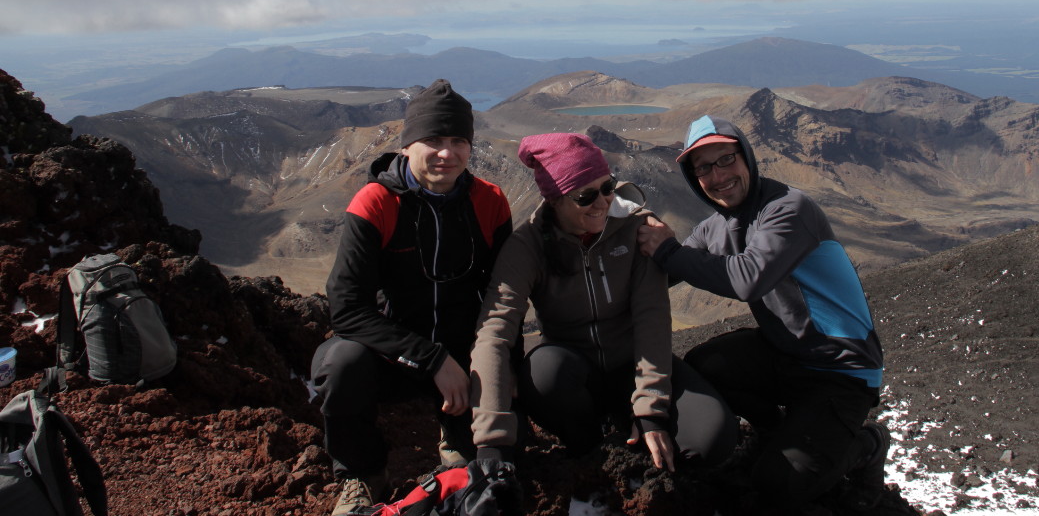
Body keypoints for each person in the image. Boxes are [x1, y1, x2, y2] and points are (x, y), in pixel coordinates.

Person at [636, 115, 889, 510]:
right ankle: (778, 430)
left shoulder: (788, 209)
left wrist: (667, 249)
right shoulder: (716, 226)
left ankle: (867, 446)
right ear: (692, 176)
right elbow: (668, 271)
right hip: (783, 353)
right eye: (703, 167)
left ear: (747, 157)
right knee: (704, 365)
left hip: (840, 370)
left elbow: (747, 279)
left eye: (726, 160)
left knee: (779, 485)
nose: (718, 176)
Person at [470, 132, 737, 477]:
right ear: (554, 200)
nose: (602, 203)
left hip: (633, 364)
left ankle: (633, 426)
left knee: (712, 439)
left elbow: (651, 316)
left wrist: (652, 411)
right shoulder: (528, 247)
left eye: (608, 187)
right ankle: (589, 450)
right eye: (585, 196)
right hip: (574, 376)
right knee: (544, 371)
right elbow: (494, 331)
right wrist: (491, 441)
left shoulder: (636, 229)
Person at [311, 80, 513, 516]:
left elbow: (502, 293)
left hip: (465, 355)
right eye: (433, 140)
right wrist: (432, 360)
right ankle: (363, 475)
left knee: (495, 461)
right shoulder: (376, 202)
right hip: (394, 355)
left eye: (459, 140)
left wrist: (477, 358)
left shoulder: (490, 201)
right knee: (339, 365)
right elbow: (347, 309)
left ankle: (456, 436)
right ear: (407, 146)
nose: (447, 152)